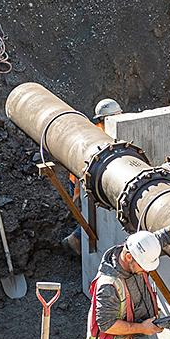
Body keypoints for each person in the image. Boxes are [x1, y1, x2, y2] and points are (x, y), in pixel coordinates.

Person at [62, 98, 124, 255]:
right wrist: (77, 194)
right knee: (90, 216)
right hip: (79, 179)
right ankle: (74, 240)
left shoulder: (106, 130)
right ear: (105, 119)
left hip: (85, 177)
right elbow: (82, 164)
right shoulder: (99, 134)